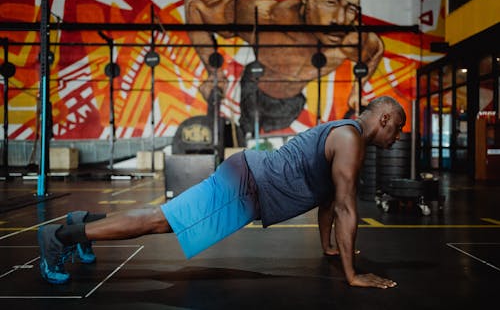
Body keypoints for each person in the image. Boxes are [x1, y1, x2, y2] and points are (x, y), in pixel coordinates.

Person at [38, 95, 404, 289]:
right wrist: (352, 274)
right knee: (160, 220)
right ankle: (60, 236)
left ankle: (80, 223)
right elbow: (343, 207)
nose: (397, 138)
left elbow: (327, 201)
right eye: (397, 129)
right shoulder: (351, 138)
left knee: (165, 221)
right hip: (246, 187)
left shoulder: (345, 135)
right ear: (384, 118)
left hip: (248, 180)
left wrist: (329, 247)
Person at [184, 0, 384, 135]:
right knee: (244, 141)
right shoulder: (264, 17)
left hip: (292, 105)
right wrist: (214, 72)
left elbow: (375, 51)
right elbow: (196, 6)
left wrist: (356, 91)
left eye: (351, 8)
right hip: (254, 93)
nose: (340, 19)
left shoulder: (352, 39)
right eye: (330, 2)